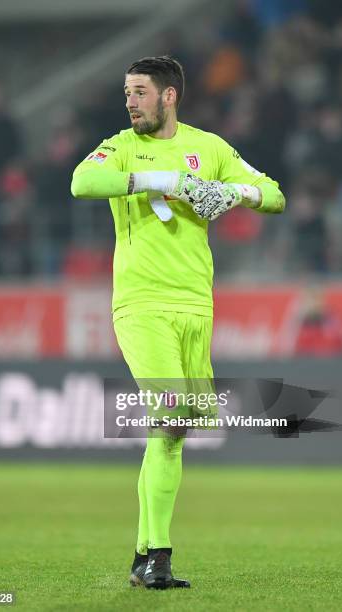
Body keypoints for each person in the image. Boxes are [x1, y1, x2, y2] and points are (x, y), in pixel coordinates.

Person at [71, 55, 285, 589]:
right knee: (170, 416)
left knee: (172, 432)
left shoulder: (209, 147)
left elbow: (275, 195)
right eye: (127, 92)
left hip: (196, 305)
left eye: (140, 92)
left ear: (169, 96)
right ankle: (159, 556)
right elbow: (81, 182)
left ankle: (144, 555)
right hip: (141, 305)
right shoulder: (120, 146)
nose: (130, 101)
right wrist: (157, 178)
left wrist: (237, 192)